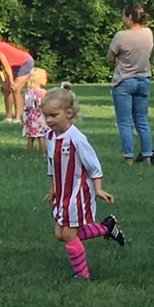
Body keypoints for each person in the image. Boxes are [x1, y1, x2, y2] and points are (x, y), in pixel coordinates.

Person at [42, 83, 125, 280]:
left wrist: (98, 189)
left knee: (69, 235)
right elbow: (51, 164)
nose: (49, 120)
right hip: (62, 193)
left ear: (69, 113)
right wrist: (52, 188)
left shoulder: (77, 139)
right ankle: (107, 227)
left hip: (77, 194)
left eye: (54, 115)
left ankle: (82, 275)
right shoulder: (51, 136)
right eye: (46, 116)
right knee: (60, 234)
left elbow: (93, 165)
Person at [108, 3, 154, 165]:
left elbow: (110, 58)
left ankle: (128, 157)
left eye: (124, 16)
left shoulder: (121, 36)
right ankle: (147, 156)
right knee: (142, 120)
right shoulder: (148, 33)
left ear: (129, 17)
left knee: (124, 121)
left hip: (124, 80)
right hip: (143, 79)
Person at [0, 30, 34, 123]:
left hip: (24, 62)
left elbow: (6, 65)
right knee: (5, 88)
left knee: (15, 88)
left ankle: (17, 118)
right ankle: (8, 117)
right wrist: (3, 79)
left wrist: (12, 81)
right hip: (14, 66)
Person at [22, 66, 49, 151]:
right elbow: (45, 104)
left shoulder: (27, 92)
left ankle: (29, 152)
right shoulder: (42, 92)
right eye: (44, 78)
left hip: (29, 116)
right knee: (41, 135)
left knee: (30, 136)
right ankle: (43, 152)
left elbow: (25, 104)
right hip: (40, 116)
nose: (46, 80)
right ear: (38, 79)